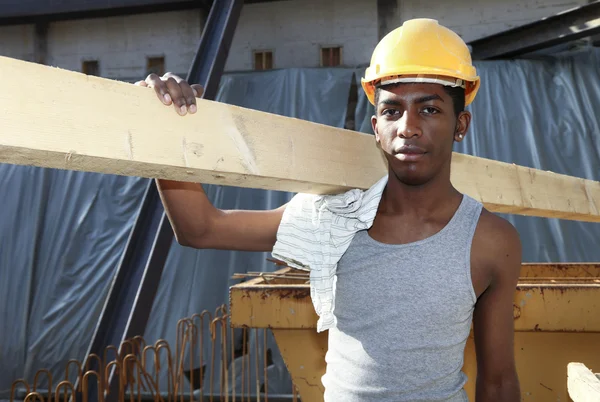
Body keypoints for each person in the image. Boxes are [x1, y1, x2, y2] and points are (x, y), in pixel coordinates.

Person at [136, 18, 521, 402]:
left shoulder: (490, 241)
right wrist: (164, 128)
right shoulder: (334, 217)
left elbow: (499, 380)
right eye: (391, 111)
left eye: (430, 109)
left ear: (461, 124)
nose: (407, 127)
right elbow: (200, 229)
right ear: (375, 127)